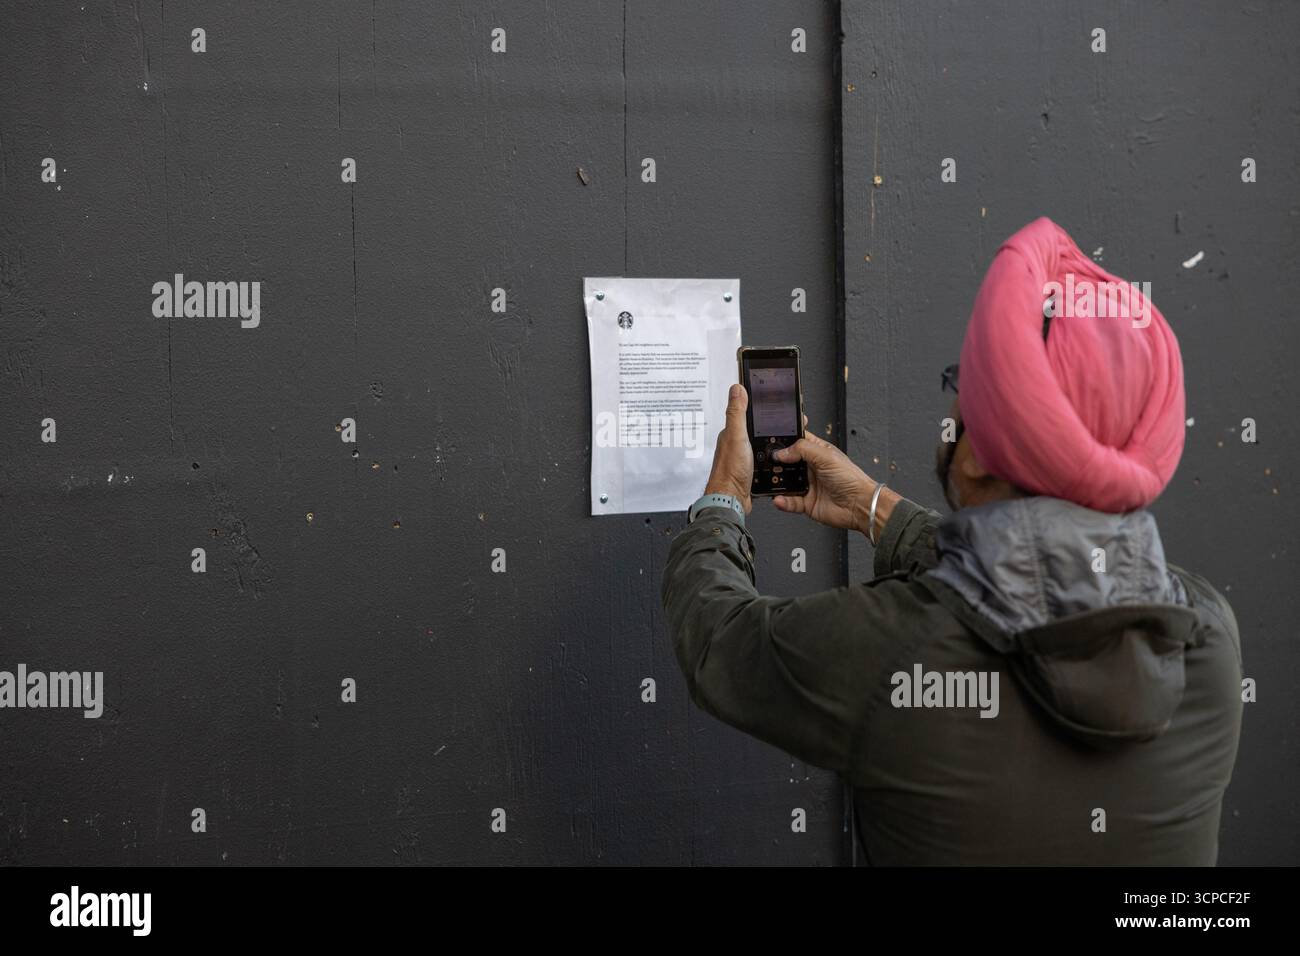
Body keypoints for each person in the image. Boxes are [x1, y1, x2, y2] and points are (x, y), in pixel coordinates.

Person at [661, 217, 1243, 865]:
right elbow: (1036, 587)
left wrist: (723, 499)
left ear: (985, 456)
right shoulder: (1207, 641)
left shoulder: (891, 654)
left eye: (960, 392)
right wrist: (871, 506)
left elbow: (719, 640)